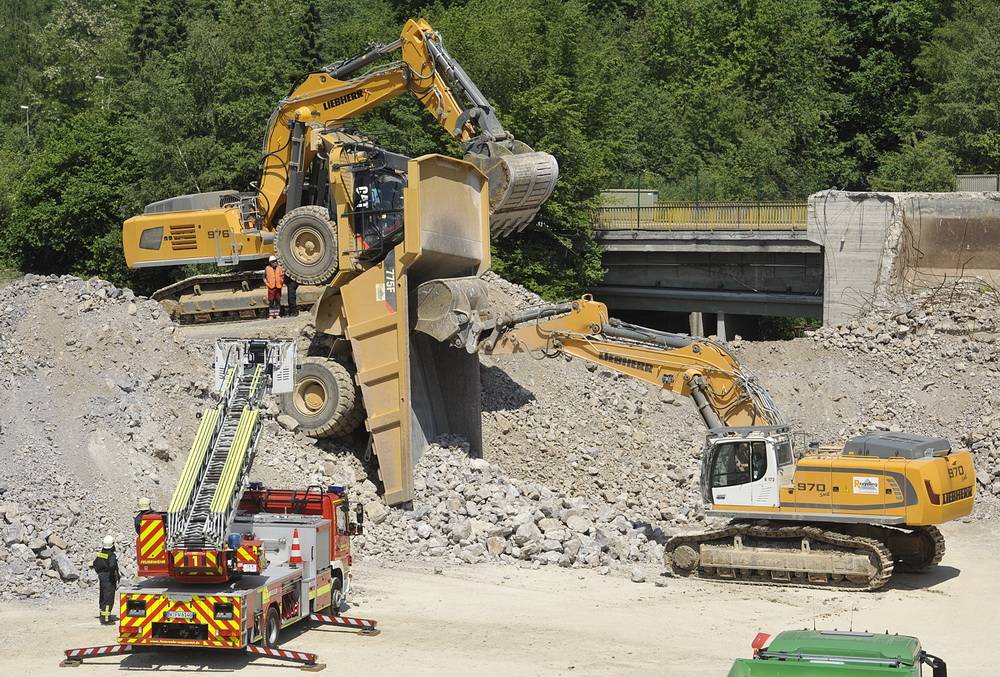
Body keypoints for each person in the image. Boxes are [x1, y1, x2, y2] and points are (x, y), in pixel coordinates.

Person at [92, 535, 120, 625]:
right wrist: (112, 573)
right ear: (112, 545)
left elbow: (95, 564)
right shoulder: (111, 555)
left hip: (102, 578)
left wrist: (101, 573)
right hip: (109, 579)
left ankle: (102, 615)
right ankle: (106, 619)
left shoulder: (101, 554)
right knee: (108, 598)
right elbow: (112, 566)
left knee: (103, 597)